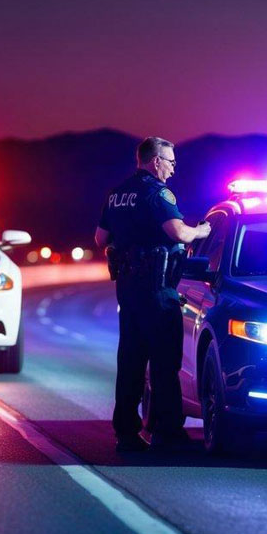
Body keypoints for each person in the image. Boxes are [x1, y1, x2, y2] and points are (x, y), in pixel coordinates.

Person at [94, 137, 211, 452]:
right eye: (171, 162)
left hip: (128, 291)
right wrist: (201, 231)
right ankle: (166, 432)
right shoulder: (157, 193)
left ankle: (127, 434)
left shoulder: (117, 194)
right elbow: (179, 233)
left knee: (130, 360)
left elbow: (100, 237)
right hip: (158, 291)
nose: (173, 169)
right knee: (164, 362)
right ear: (155, 160)